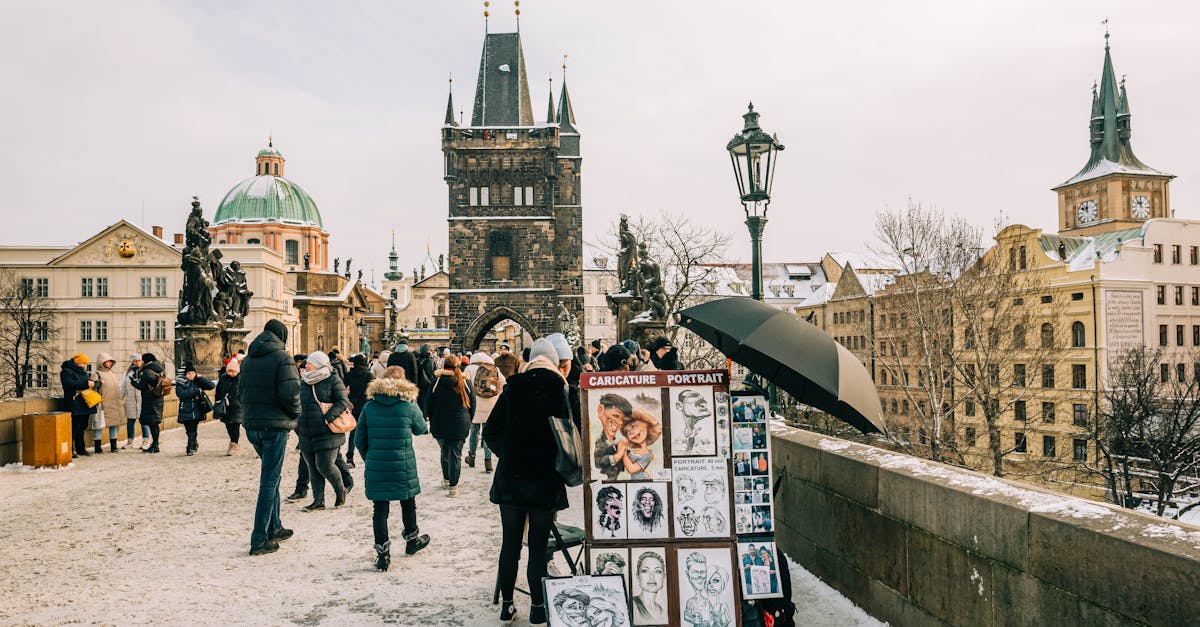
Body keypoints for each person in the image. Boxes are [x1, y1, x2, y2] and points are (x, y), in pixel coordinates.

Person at [483, 337, 572, 625]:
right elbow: (573, 434)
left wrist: (507, 454)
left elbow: (491, 432)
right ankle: (537, 606)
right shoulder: (561, 389)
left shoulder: (513, 387)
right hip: (545, 479)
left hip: (512, 477)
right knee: (537, 547)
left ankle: (507, 604)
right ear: (555, 361)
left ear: (531, 359)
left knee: (510, 544)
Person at [356, 366, 431, 570]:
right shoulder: (407, 405)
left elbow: (359, 439)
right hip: (403, 463)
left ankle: (383, 555)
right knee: (408, 501)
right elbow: (421, 429)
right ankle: (412, 540)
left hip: (377, 463)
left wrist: (370, 458)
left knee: (380, 509)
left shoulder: (369, 407)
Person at [239, 319, 302, 556]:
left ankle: (274, 526)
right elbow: (291, 393)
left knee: (271, 477)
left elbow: (240, 391)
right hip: (274, 426)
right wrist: (295, 415)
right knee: (268, 481)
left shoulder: (248, 359)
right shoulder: (283, 358)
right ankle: (259, 539)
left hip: (253, 425)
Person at [296, 351, 351, 511]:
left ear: (319, 364)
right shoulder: (305, 381)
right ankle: (318, 501)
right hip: (306, 431)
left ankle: (341, 491)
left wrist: (328, 417)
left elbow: (343, 401)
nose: (306, 365)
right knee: (312, 467)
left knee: (325, 465)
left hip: (328, 431)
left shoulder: (333, 379)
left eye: (310, 363)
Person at [427, 355, 475, 497]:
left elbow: (429, 403)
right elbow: (473, 404)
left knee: (445, 450)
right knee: (455, 454)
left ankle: (447, 479)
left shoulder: (436, 382)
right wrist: (468, 419)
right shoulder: (465, 382)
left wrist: (431, 418)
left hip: (440, 423)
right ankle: (453, 485)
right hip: (460, 423)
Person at [463, 351, 505, 473]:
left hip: (475, 405)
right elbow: (502, 383)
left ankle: (472, 457)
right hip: (491, 405)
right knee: (486, 433)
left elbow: (464, 385)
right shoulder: (494, 368)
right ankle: (488, 462)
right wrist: (496, 397)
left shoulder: (469, 368)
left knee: (474, 432)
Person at [60, 353, 96, 458]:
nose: (85, 365)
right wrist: (86, 384)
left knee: (82, 427)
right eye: (83, 363)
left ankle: (81, 449)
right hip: (73, 402)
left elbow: (83, 382)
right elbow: (68, 384)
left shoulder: (82, 372)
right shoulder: (66, 371)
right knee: (73, 428)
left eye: (86, 363)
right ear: (78, 363)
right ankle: (70, 450)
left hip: (83, 403)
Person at [175, 362, 215, 456]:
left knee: (193, 428)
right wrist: (197, 390)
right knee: (188, 429)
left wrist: (201, 378)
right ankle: (193, 442)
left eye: (193, 373)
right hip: (185, 409)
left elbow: (211, 386)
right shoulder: (180, 383)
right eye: (189, 373)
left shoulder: (198, 381)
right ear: (185, 375)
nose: (191, 375)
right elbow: (182, 394)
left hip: (197, 408)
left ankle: (190, 447)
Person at [131, 353, 168, 454]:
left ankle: (155, 445)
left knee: (152, 423)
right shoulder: (160, 369)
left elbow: (141, 386)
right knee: (154, 422)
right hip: (158, 398)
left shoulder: (147, 371)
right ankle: (155, 444)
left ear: (145, 361)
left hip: (150, 400)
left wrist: (133, 381)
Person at [593, 393, 633, 481]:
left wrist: (625, 452)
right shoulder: (599, 441)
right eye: (616, 416)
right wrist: (618, 455)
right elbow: (598, 462)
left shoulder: (615, 440)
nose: (620, 423)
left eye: (623, 420)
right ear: (601, 410)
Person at [613, 408, 661, 480]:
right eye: (627, 432)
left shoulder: (647, 454)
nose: (631, 432)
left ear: (647, 425)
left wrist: (624, 454)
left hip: (643, 480)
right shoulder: (632, 451)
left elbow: (631, 469)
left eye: (634, 426)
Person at [344, 353, 374, 468]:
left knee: (353, 432)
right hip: (367, 406)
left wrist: (347, 400)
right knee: (368, 431)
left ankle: (349, 457)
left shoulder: (349, 375)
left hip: (354, 406)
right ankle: (368, 457)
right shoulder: (369, 375)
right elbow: (372, 392)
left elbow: (342, 387)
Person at [93, 353, 124, 454]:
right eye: (107, 361)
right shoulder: (96, 374)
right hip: (102, 404)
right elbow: (92, 389)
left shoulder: (112, 373)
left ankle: (113, 446)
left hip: (114, 402)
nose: (109, 363)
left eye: (111, 361)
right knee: (98, 425)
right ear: (101, 362)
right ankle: (97, 447)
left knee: (113, 424)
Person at [215, 358, 245, 455]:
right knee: (228, 425)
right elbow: (218, 390)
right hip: (225, 405)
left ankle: (234, 444)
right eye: (229, 371)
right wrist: (217, 400)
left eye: (233, 371)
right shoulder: (223, 378)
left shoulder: (241, 378)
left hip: (237, 406)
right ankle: (233, 442)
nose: (231, 373)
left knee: (235, 424)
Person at [120, 354, 148, 449]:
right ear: (132, 362)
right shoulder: (128, 373)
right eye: (135, 361)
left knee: (144, 421)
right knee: (130, 421)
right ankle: (130, 441)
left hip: (142, 399)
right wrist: (120, 398)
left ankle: (145, 440)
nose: (137, 362)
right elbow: (123, 386)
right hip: (130, 400)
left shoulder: (145, 371)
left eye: (139, 360)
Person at [632, 550, 667, 623]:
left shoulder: (662, 611)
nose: (652, 577)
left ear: (663, 577)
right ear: (638, 577)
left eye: (658, 571)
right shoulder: (632, 605)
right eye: (645, 571)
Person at [414, 343, 437, 409]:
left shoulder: (417, 361)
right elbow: (435, 373)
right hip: (430, 384)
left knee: (421, 402)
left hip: (420, 385)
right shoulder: (432, 360)